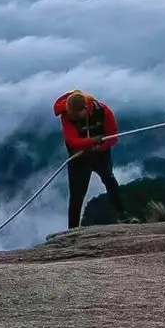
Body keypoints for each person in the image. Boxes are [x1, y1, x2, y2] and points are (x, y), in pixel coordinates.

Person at [53, 90, 138, 228]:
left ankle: (123, 215)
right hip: (79, 158)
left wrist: (98, 147)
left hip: (100, 154)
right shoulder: (67, 114)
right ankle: (73, 229)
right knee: (76, 195)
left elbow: (113, 136)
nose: (71, 117)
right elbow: (72, 141)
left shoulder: (103, 111)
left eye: (75, 115)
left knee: (109, 181)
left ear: (85, 109)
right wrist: (93, 141)